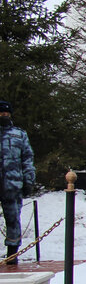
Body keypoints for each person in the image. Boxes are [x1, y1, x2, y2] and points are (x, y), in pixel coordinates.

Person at [0, 100, 35, 264]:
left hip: (12, 185)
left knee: (13, 219)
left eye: (6, 113)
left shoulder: (19, 134)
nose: (4, 115)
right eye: (1, 113)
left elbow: (27, 158)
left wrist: (29, 180)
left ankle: (12, 254)